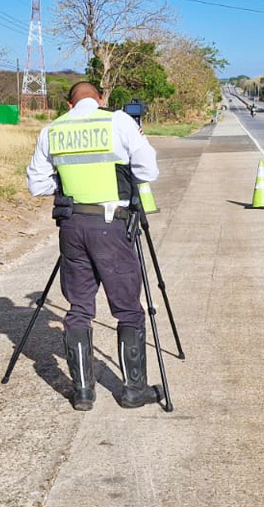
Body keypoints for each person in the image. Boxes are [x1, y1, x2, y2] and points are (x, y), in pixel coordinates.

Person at [26, 81, 161, 410]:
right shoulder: (118, 121)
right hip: (111, 224)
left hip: (72, 226)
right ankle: (133, 390)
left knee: (79, 308)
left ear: (69, 105)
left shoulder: (52, 130)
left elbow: (37, 184)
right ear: (101, 99)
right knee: (127, 307)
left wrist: (68, 180)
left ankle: (83, 392)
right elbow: (149, 171)